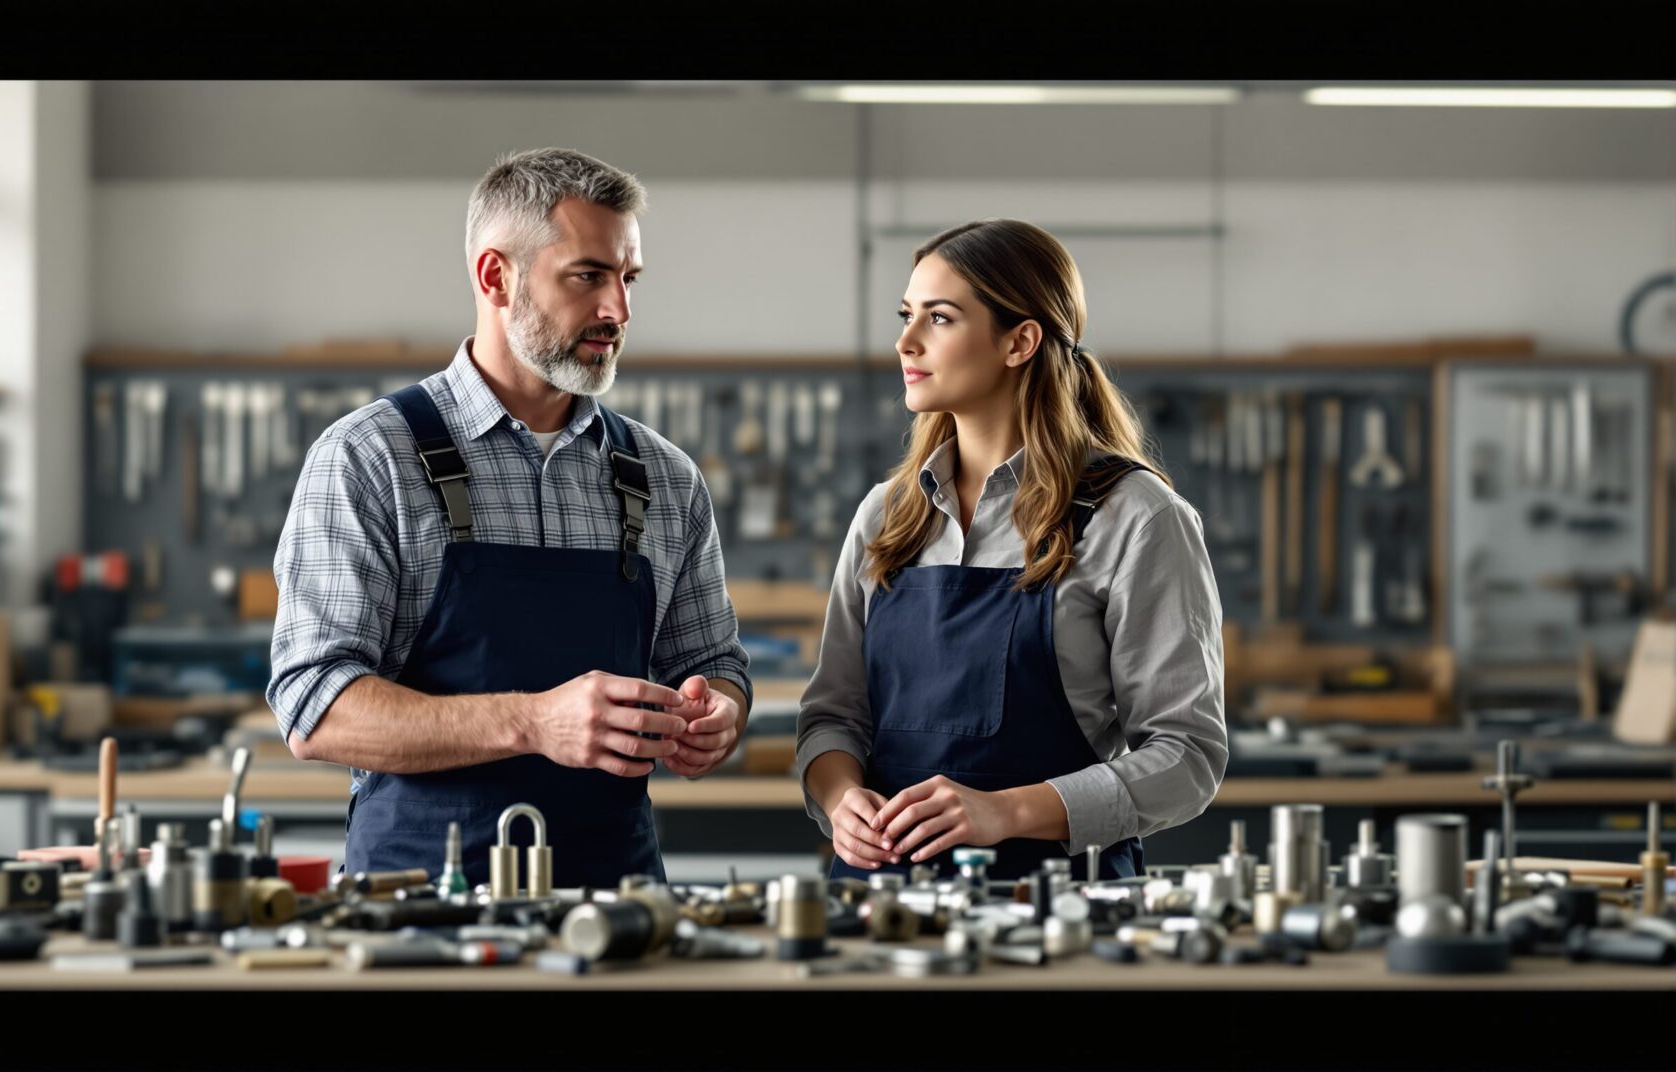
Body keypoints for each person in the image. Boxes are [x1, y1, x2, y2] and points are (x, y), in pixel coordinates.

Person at [267, 148, 752, 887]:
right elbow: (314, 708)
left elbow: (713, 666)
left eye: (628, 279)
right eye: (588, 276)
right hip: (420, 911)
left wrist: (717, 712)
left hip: (615, 911)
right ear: (497, 277)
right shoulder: (370, 458)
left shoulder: (663, 479)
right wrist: (534, 722)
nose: (618, 310)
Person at [796, 219, 1226, 882]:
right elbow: (832, 718)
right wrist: (840, 798)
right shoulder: (886, 515)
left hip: (1062, 916)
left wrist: (1006, 812)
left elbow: (1187, 757)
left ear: (1020, 340)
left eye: (939, 319)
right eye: (907, 315)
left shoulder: (1136, 517)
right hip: (882, 914)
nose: (904, 341)